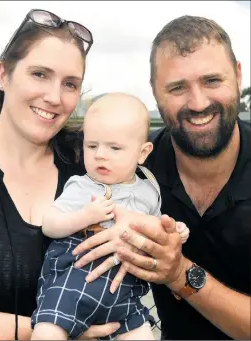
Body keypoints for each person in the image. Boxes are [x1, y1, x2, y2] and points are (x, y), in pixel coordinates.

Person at [71, 15, 251, 340]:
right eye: (178, 87)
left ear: (238, 76)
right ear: (154, 91)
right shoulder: (133, 166)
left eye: (212, 80)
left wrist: (179, 273)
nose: (198, 103)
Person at [0, 8, 123, 341]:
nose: (54, 97)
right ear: (3, 74)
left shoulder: (90, 165)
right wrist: (54, 329)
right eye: (39, 74)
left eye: (70, 84)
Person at [30, 92, 190, 340]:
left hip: (124, 288)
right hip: (77, 280)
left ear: (142, 153)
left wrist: (173, 230)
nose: (100, 155)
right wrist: (84, 216)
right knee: (48, 331)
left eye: (114, 148)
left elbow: (157, 228)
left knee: (143, 334)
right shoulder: (82, 186)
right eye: (92, 146)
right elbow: (49, 225)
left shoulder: (149, 188)